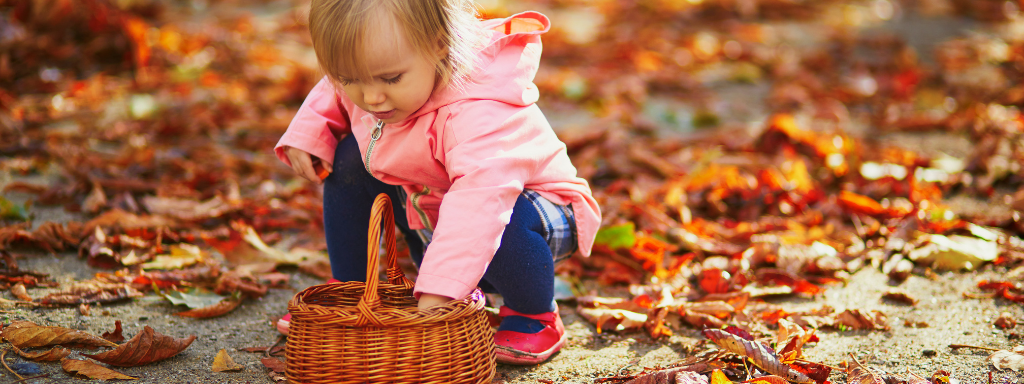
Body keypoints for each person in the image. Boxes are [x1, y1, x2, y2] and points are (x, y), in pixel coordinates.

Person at [273, 0, 600, 365]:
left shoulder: (477, 113)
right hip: (433, 208)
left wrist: (438, 293)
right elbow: (333, 89)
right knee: (350, 158)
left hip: (529, 213)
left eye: (390, 79)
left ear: (438, 45)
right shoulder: (378, 78)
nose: (371, 98)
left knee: (504, 219)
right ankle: (349, 291)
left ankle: (533, 313)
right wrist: (309, 131)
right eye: (351, 79)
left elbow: (480, 205)